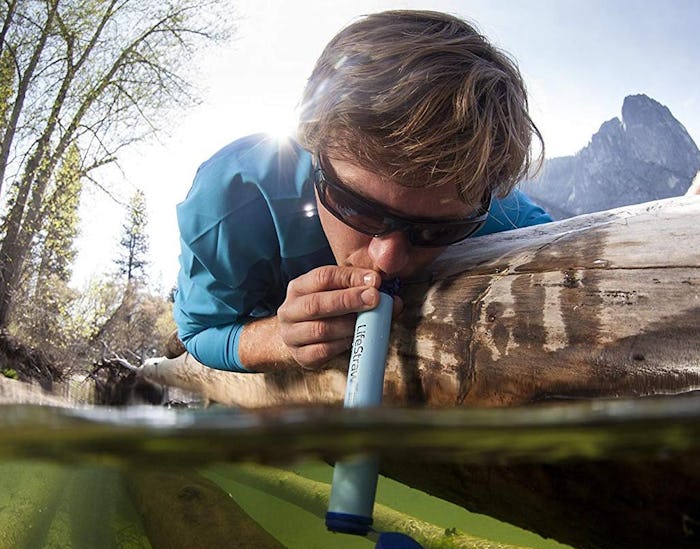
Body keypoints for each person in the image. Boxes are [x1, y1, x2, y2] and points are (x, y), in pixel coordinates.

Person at [173, 9, 552, 373]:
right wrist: (280, 340)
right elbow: (200, 331)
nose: (387, 259)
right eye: (357, 209)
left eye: (437, 232)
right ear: (311, 142)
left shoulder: (480, 198)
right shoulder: (233, 199)